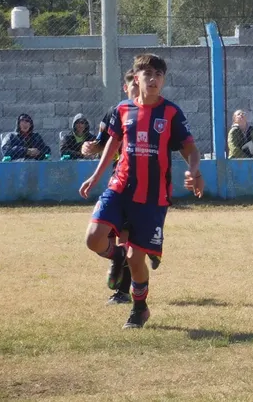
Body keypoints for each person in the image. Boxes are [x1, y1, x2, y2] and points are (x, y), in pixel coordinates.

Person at [79, 54, 204, 330]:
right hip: (120, 187)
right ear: (136, 78)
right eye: (147, 74)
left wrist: (194, 171)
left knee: (138, 258)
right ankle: (116, 255)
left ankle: (139, 308)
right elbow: (112, 145)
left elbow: (190, 149)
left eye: (158, 74)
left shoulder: (171, 113)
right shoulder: (123, 110)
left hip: (152, 197)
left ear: (164, 80)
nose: (153, 78)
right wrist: (95, 177)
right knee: (93, 239)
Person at [82, 70, 142, 304]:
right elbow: (102, 143)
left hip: (143, 185)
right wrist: (91, 147)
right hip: (118, 180)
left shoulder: (154, 112)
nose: (139, 92)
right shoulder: (116, 112)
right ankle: (117, 257)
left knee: (126, 238)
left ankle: (122, 293)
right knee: (97, 238)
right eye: (134, 87)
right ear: (126, 89)